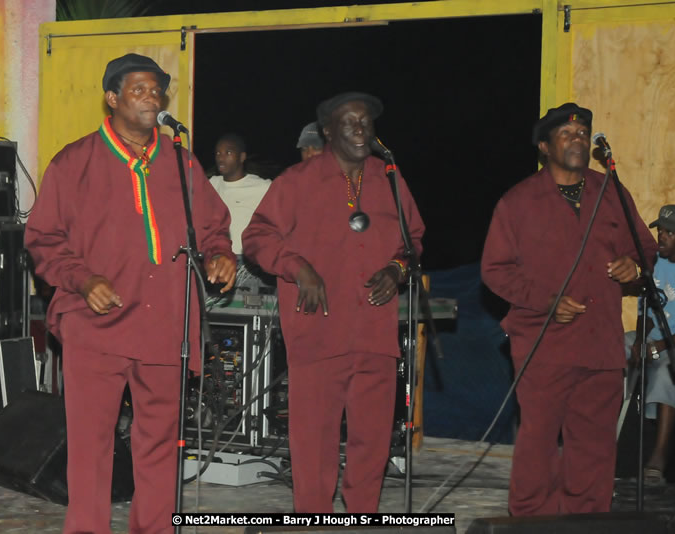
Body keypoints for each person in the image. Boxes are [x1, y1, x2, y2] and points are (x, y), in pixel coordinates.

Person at [25, 53, 236, 534]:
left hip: (165, 324)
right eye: (138, 89)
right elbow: (42, 238)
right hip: (93, 323)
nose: (151, 97)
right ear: (112, 98)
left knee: (160, 441)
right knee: (91, 443)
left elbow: (211, 225)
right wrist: (83, 279)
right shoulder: (74, 160)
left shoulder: (181, 161)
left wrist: (218, 253)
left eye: (157, 90)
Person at [242, 92, 424, 512]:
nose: (361, 129)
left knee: (373, 439)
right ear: (327, 131)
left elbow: (413, 240)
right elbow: (256, 238)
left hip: (375, 334)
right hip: (318, 333)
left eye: (367, 122)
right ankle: (312, 515)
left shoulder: (389, 178)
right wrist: (297, 267)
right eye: (350, 122)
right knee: (314, 439)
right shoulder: (297, 181)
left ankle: (363, 513)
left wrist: (397, 268)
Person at [481, 102, 657, 516]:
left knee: (594, 444)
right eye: (566, 134)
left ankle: (586, 519)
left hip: (601, 342)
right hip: (544, 343)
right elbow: (494, 270)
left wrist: (634, 267)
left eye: (583, 133)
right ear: (545, 146)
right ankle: (529, 519)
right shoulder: (518, 202)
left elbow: (645, 248)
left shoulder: (611, 191)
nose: (577, 139)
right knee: (539, 441)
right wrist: (546, 303)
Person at [624, 204, 675, 484]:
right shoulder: (654, 261)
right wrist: (641, 341)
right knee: (612, 346)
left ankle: (658, 459)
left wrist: (660, 346)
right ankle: (605, 440)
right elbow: (646, 312)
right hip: (655, 335)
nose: (662, 236)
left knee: (669, 366)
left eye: (670, 232)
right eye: (660, 230)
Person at [208, 133, 271, 256]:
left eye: (228, 153)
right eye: (218, 153)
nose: (221, 158)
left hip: (248, 261)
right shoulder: (212, 184)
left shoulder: (262, 187)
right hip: (218, 257)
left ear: (242, 157)